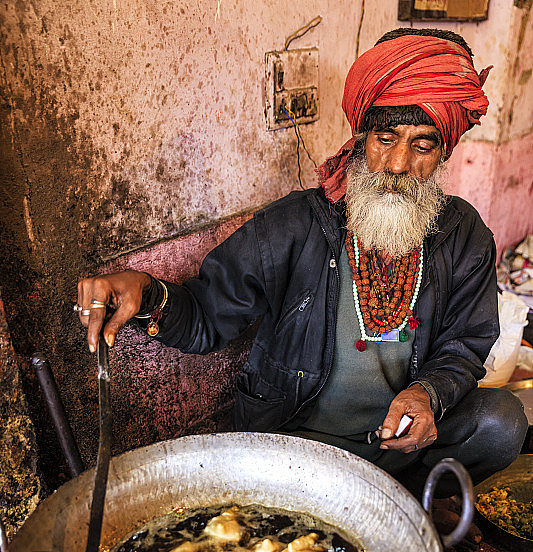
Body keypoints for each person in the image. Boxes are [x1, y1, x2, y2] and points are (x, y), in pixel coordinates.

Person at [77, 27, 528, 498]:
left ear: (443, 153)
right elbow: (206, 316)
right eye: (385, 138)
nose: (398, 163)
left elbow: (465, 344)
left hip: (400, 452)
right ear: (360, 139)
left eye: (422, 145)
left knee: (501, 422)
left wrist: (430, 393)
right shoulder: (294, 224)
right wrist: (147, 292)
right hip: (294, 448)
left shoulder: (462, 234)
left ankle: (398, 500)